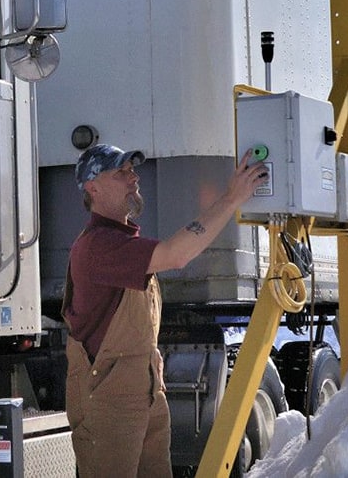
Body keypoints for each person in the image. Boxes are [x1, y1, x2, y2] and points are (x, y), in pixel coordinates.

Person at [62, 143, 268, 477]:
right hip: (109, 399)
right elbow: (177, 254)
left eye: (132, 170)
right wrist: (232, 197)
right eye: (121, 172)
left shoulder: (123, 243)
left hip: (142, 391)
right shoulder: (99, 245)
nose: (133, 178)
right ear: (92, 188)